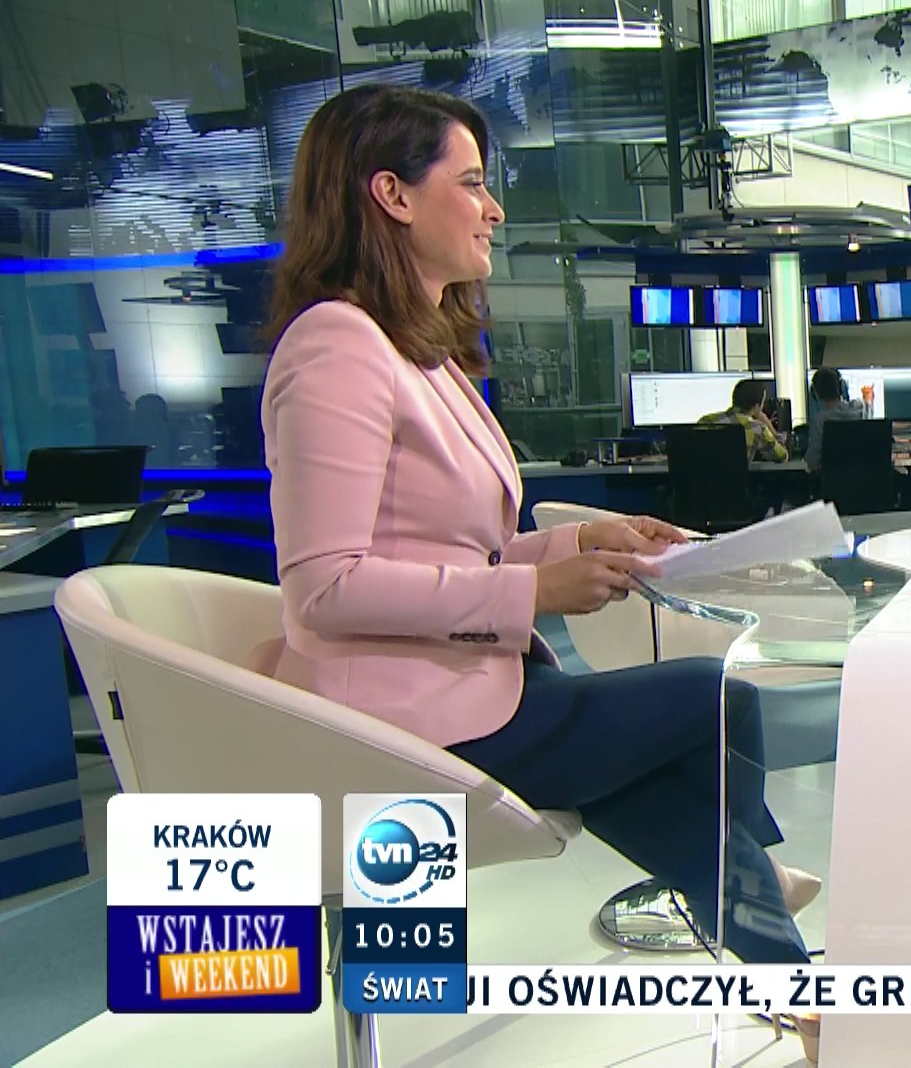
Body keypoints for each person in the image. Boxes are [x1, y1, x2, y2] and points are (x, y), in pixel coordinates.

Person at [256, 87, 818, 993]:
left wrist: (582, 542)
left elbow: (455, 554)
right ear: (392, 194)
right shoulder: (336, 345)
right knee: (712, 704)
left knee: (659, 761)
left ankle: (768, 938)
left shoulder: (415, 352)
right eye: (471, 183)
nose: (494, 209)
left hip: (476, 684)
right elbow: (325, 587)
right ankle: (757, 898)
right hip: (398, 718)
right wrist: (534, 594)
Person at [698, 378, 789, 463]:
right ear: (756, 406)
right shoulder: (757, 428)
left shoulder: (706, 421)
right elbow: (782, 456)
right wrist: (769, 425)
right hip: (734, 475)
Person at [803, 365, 867, 471]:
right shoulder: (860, 408)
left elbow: (812, 463)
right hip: (864, 478)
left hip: (833, 480)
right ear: (841, 387)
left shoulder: (820, 421)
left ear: (816, 394)